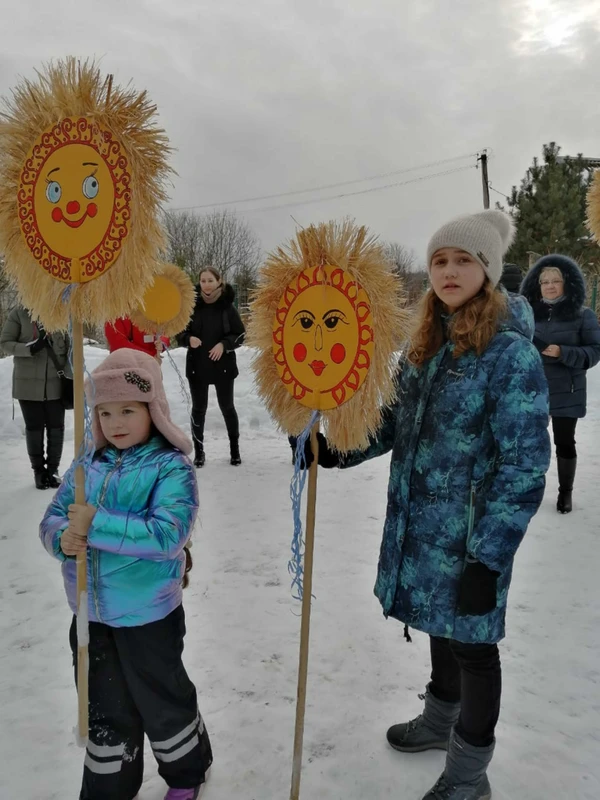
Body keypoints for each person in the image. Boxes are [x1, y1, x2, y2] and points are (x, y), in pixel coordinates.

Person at [306, 211, 550, 799]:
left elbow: (524, 467)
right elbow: (391, 424)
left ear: (488, 271)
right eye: (440, 260)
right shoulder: (423, 346)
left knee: (474, 647)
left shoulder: (510, 356)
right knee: (442, 630)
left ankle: (469, 775)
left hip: (472, 537)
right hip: (424, 531)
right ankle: (440, 721)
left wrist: (488, 559)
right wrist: (335, 450)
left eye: (463, 260)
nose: (449, 271)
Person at [40, 349, 213, 800]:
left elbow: (166, 536)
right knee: (105, 706)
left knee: (162, 701)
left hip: (147, 617)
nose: (116, 422)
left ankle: (186, 771)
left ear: (152, 410)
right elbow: (53, 517)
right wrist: (62, 538)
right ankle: (110, 784)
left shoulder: (170, 467)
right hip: (90, 614)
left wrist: (92, 525)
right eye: (105, 412)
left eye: (128, 410)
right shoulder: (86, 465)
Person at [521, 254, 600, 513]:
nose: (550, 286)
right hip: (533, 391)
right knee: (530, 443)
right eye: (545, 282)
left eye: (556, 281)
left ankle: (565, 493)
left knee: (564, 442)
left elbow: (594, 352)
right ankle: (527, 491)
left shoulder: (582, 315)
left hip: (568, 391)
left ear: (567, 284)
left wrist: (564, 352)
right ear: (537, 285)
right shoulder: (528, 315)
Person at [178, 267, 246, 468]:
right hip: (197, 366)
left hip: (223, 367)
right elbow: (179, 333)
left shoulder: (227, 307)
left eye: (210, 280)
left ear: (219, 281)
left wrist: (224, 345)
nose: (206, 284)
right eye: (203, 280)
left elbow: (241, 335)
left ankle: (235, 450)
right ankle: (199, 453)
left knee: (227, 408)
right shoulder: (191, 305)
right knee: (199, 410)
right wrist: (188, 339)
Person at [1, 304, 70, 489]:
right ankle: (38, 471)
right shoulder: (19, 313)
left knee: (57, 427)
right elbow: (5, 343)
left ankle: (53, 470)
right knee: (34, 428)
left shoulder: (62, 311)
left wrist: (71, 378)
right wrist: (30, 348)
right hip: (28, 385)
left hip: (56, 384)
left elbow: (71, 349)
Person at [105, 317, 169, 361]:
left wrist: (162, 343)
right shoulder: (115, 313)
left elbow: (165, 331)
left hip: (153, 366)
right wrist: (150, 356)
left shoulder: (149, 308)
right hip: (125, 366)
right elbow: (119, 345)